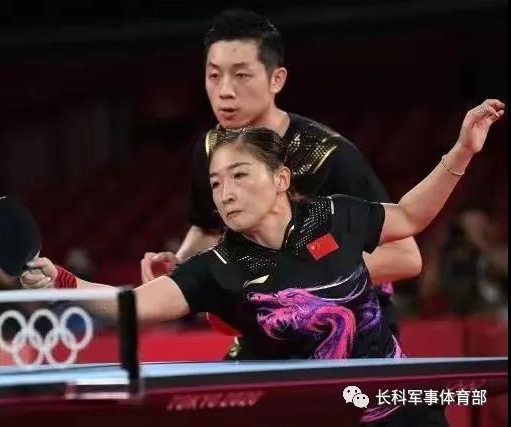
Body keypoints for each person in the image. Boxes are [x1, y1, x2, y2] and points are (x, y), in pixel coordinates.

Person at [21, 99, 504, 426]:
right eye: (215, 183)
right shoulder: (220, 266)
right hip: (315, 416)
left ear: (280, 179)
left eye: (239, 175)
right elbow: (133, 306)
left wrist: (462, 149)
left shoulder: (334, 215)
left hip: (395, 401)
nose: (225, 193)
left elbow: (411, 215)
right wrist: (61, 282)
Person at [139, 10, 421, 352]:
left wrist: (297, 274)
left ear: (276, 79)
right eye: (214, 75)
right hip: (273, 322)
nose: (224, 91)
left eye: (241, 75)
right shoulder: (213, 148)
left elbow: (405, 256)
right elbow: (207, 229)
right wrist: (180, 268)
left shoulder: (330, 155)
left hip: (353, 330)